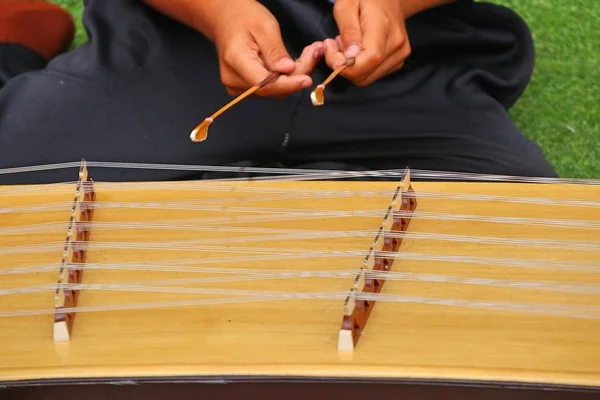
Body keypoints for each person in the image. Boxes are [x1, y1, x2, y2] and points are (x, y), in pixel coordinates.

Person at [0, 0, 557, 184]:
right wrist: (221, 14)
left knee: (530, 240)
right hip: (171, 42)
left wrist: (391, 6)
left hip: (410, 71)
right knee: (18, 185)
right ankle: (17, 44)